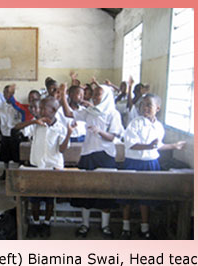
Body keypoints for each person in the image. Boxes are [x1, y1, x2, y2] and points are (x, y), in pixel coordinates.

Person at [61, 84, 124, 238]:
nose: (95, 97)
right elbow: (69, 113)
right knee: (85, 190)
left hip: (106, 155)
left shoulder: (113, 113)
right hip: (88, 154)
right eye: (94, 94)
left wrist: (100, 131)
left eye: (99, 94)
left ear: (107, 96)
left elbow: (114, 137)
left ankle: (105, 226)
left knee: (106, 192)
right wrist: (63, 94)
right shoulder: (89, 111)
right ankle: (85, 224)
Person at [119, 94, 186, 239]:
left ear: (158, 108)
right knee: (127, 195)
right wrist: (149, 146)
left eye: (149, 105)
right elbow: (131, 144)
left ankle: (145, 228)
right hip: (134, 162)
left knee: (147, 196)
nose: (145, 107)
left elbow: (157, 146)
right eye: (143, 104)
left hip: (150, 162)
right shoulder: (135, 123)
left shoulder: (158, 126)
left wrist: (174, 146)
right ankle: (125, 227)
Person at [14, 96, 72, 238]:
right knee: (35, 199)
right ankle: (35, 222)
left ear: (53, 110)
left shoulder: (61, 127)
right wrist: (34, 121)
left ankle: (46, 223)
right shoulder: (36, 124)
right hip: (36, 166)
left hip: (53, 168)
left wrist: (69, 134)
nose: (39, 110)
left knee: (49, 200)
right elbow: (17, 128)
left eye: (43, 107)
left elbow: (62, 149)